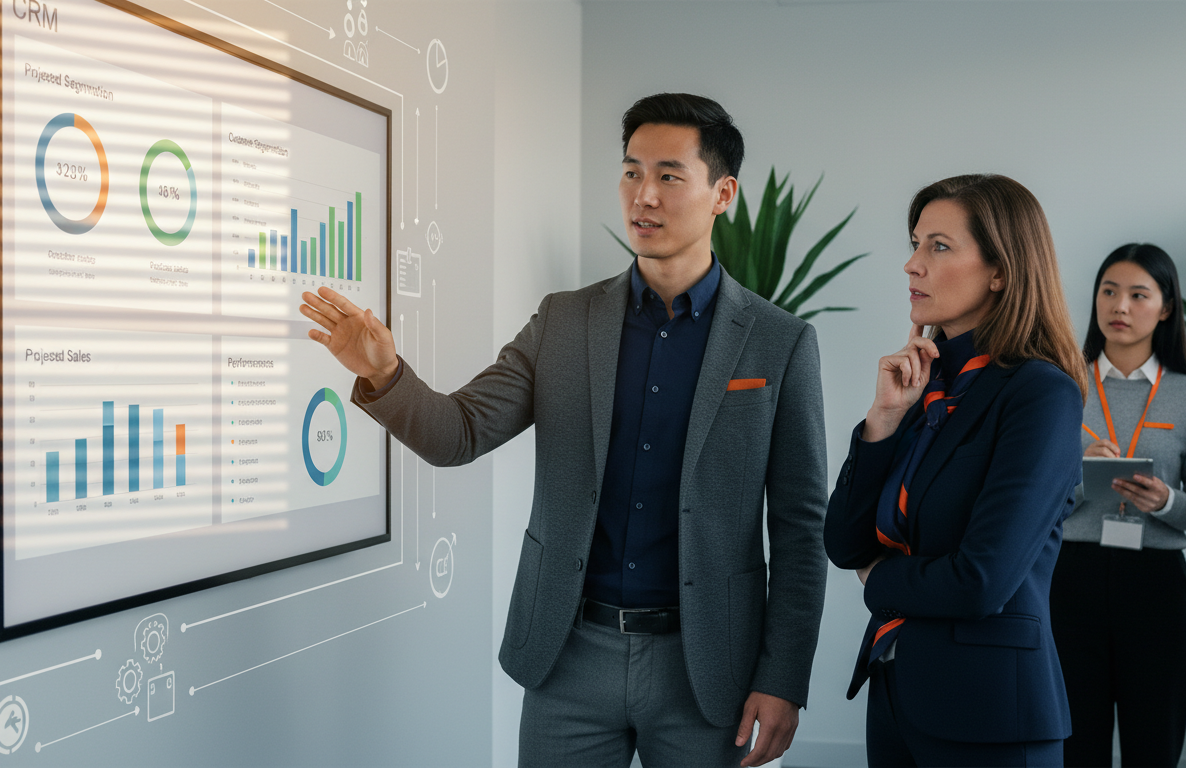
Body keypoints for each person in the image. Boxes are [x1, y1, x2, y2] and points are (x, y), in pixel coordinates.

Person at [298, 93, 829, 768]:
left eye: (669, 175)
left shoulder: (779, 343)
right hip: (570, 656)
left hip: (707, 666)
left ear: (721, 192)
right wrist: (385, 374)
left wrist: (782, 679)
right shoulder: (565, 321)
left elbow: (799, 529)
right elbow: (458, 434)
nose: (644, 195)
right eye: (632, 172)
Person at [824, 174, 1086, 767]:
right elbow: (844, 543)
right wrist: (883, 419)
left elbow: (981, 581)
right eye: (915, 244)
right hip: (897, 698)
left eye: (938, 246)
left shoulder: (1040, 394)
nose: (912, 265)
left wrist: (879, 581)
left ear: (1000, 270)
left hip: (992, 715)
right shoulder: (924, 388)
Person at [1052, 244, 1186, 768]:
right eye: (1108, 291)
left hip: (1155, 587)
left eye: (1137, 294)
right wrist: (1079, 480)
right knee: (1074, 747)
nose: (1119, 306)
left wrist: (1166, 500)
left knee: (1155, 743)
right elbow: (1026, 501)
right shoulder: (1059, 386)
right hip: (1069, 580)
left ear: (1166, 308)